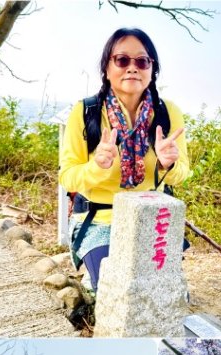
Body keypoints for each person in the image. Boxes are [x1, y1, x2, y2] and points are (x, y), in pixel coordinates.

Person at [59, 28, 190, 291]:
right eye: (121, 60)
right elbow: (67, 177)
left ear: (152, 70)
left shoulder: (167, 113)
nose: (132, 68)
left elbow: (182, 174)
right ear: (107, 69)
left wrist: (168, 164)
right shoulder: (86, 112)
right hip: (99, 220)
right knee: (116, 290)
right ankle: (94, 272)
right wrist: (96, 166)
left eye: (142, 61)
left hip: (151, 219)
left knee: (165, 294)